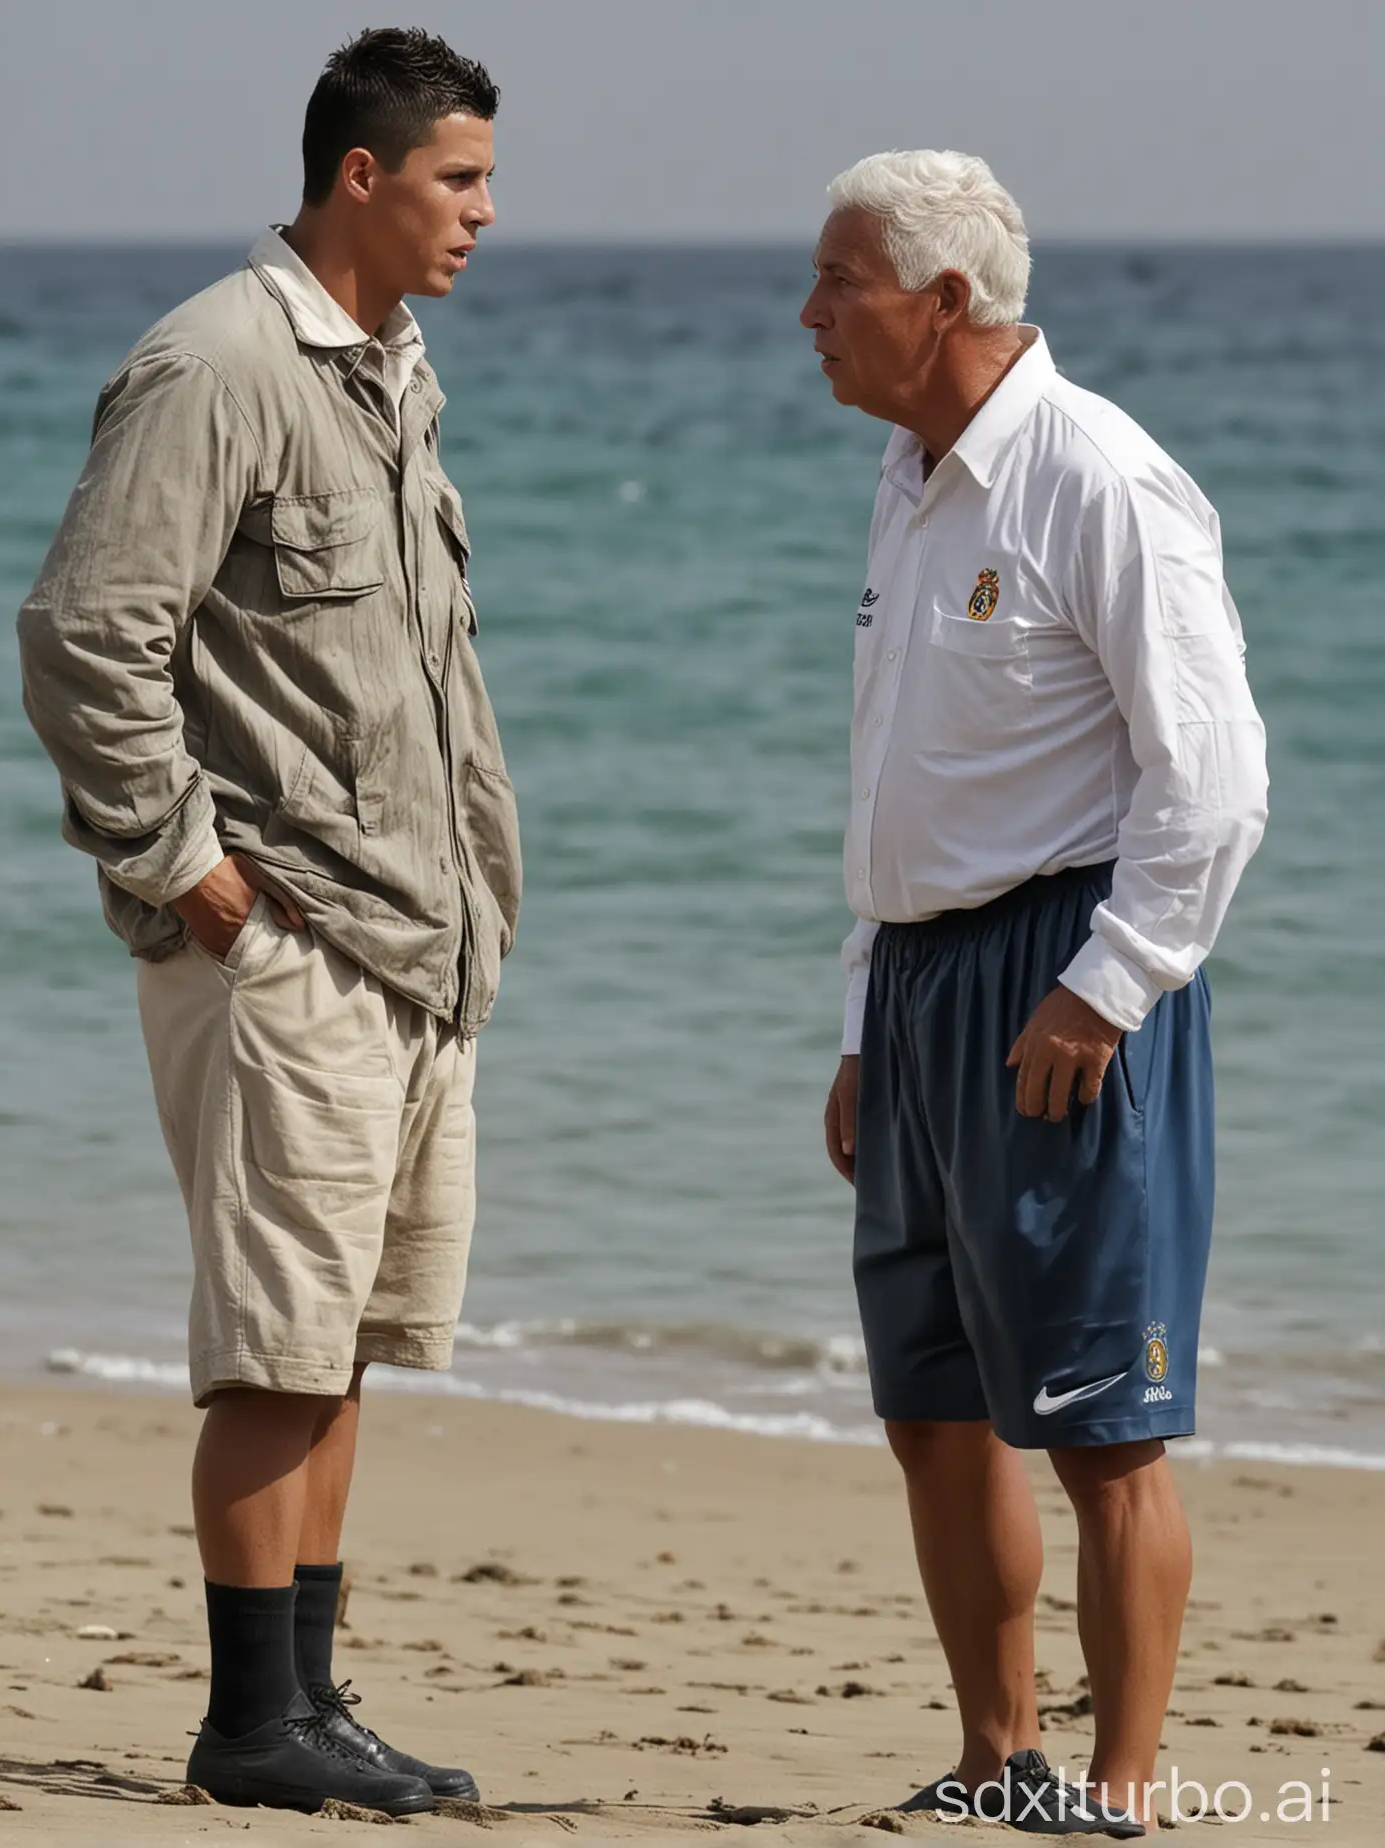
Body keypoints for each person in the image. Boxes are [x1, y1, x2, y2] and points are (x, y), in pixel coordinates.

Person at [18, 28, 521, 1819]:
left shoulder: (392, 368)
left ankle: (308, 1701)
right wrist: (189, 873)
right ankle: (249, 1724)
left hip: (406, 945)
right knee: (274, 1347)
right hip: (283, 942)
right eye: (459, 178)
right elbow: (87, 635)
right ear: (363, 179)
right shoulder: (218, 362)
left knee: (345, 1342)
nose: (483, 212)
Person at [803, 151, 1268, 1836]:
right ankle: (1002, 1762)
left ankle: (1125, 1793)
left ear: (942, 302)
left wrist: (1110, 987)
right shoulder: (909, 476)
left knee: (1102, 1426)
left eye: (837, 283)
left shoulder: (1099, 477)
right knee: (929, 1405)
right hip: (920, 984)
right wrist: (866, 1020)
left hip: (1061, 975)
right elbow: (891, 776)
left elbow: (1211, 780)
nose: (809, 316)